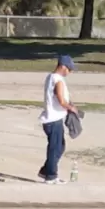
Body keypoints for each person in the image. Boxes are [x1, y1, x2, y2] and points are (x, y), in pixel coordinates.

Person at [38, 55, 77, 184]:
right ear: (63, 66)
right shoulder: (58, 80)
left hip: (51, 118)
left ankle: (46, 170)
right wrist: (71, 108)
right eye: (69, 69)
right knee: (55, 148)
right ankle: (51, 176)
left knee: (59, 146)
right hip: (53, 119)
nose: (70, 72)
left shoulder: (50, 77)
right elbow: (60, 99)